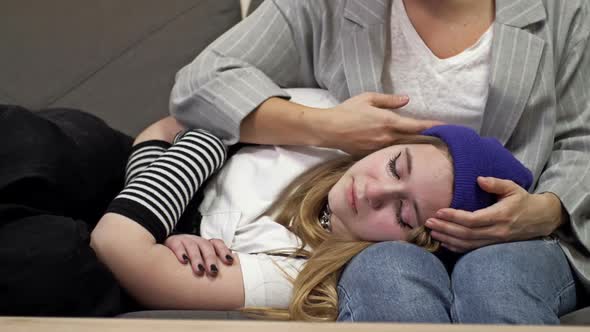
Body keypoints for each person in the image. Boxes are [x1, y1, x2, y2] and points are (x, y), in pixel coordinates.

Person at [167, 0, 590, 324]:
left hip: (531, 239)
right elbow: (200, 83)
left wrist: (545, 209)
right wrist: (327, 127)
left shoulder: (565, 14)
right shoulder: (325, 7)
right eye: (393, 167)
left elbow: (583, 140)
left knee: (494, 273)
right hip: (380, 238)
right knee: (387, 270)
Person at [90, 107, 533, 321]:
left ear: (415, 244)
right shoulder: (323, 129)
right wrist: (164, 215)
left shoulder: (299, 278)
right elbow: (177, 122)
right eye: (395, 165)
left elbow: (120, 249)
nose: (374, 190)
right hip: (108, 164)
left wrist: (201, 147)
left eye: (403, 213)